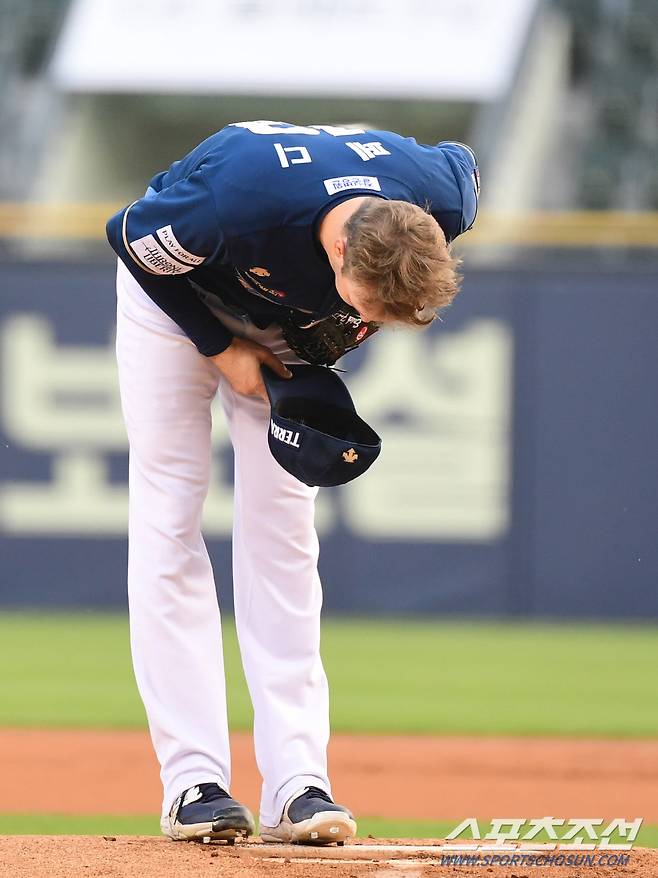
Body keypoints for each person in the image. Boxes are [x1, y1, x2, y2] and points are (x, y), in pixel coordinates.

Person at [106, 120, 478, 845]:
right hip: (177, 294)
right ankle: (193, 782)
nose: (369, 323)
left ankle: (297, 783)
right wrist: (219, 347)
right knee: (169, 512)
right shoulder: (240, 198)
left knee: (284, 534)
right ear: (340, 249)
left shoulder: (443, 194)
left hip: (284, 318)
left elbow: (463, 161)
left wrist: (313, 337)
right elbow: (130, 237)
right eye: (367, 306)